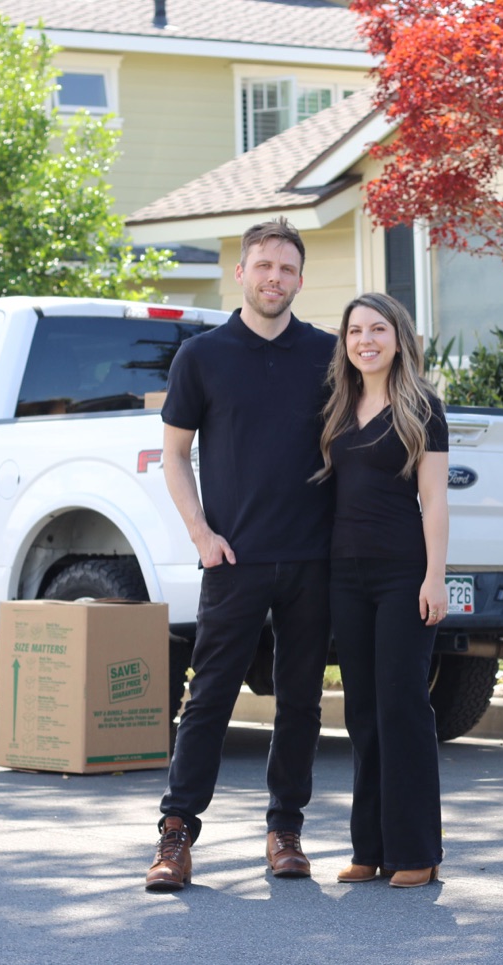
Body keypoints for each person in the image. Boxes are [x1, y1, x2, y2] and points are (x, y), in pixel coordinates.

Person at [145, 217, 336, 892]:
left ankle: (285, 829)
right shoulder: (203, 356)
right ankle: (175, 833)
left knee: (302, 702)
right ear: (241, 272)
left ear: (300, 279)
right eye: (263, 266)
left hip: (313, 559)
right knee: (209, 697)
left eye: (286, 268)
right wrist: (201, 534)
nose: (274, 278)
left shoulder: (328, 354)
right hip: (234, 558)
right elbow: (173, 454)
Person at [312, 291, 449, 888]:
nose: (365, 340)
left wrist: (435, 576)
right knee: (362, 714)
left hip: (402, 575)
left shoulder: (423, 408)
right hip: (346, 576)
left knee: (403, 709)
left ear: (399, 338)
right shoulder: (337, 408)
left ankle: (416, 850)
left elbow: (436, 500)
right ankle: (369, 847)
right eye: (354, 332)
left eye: (377, 330)